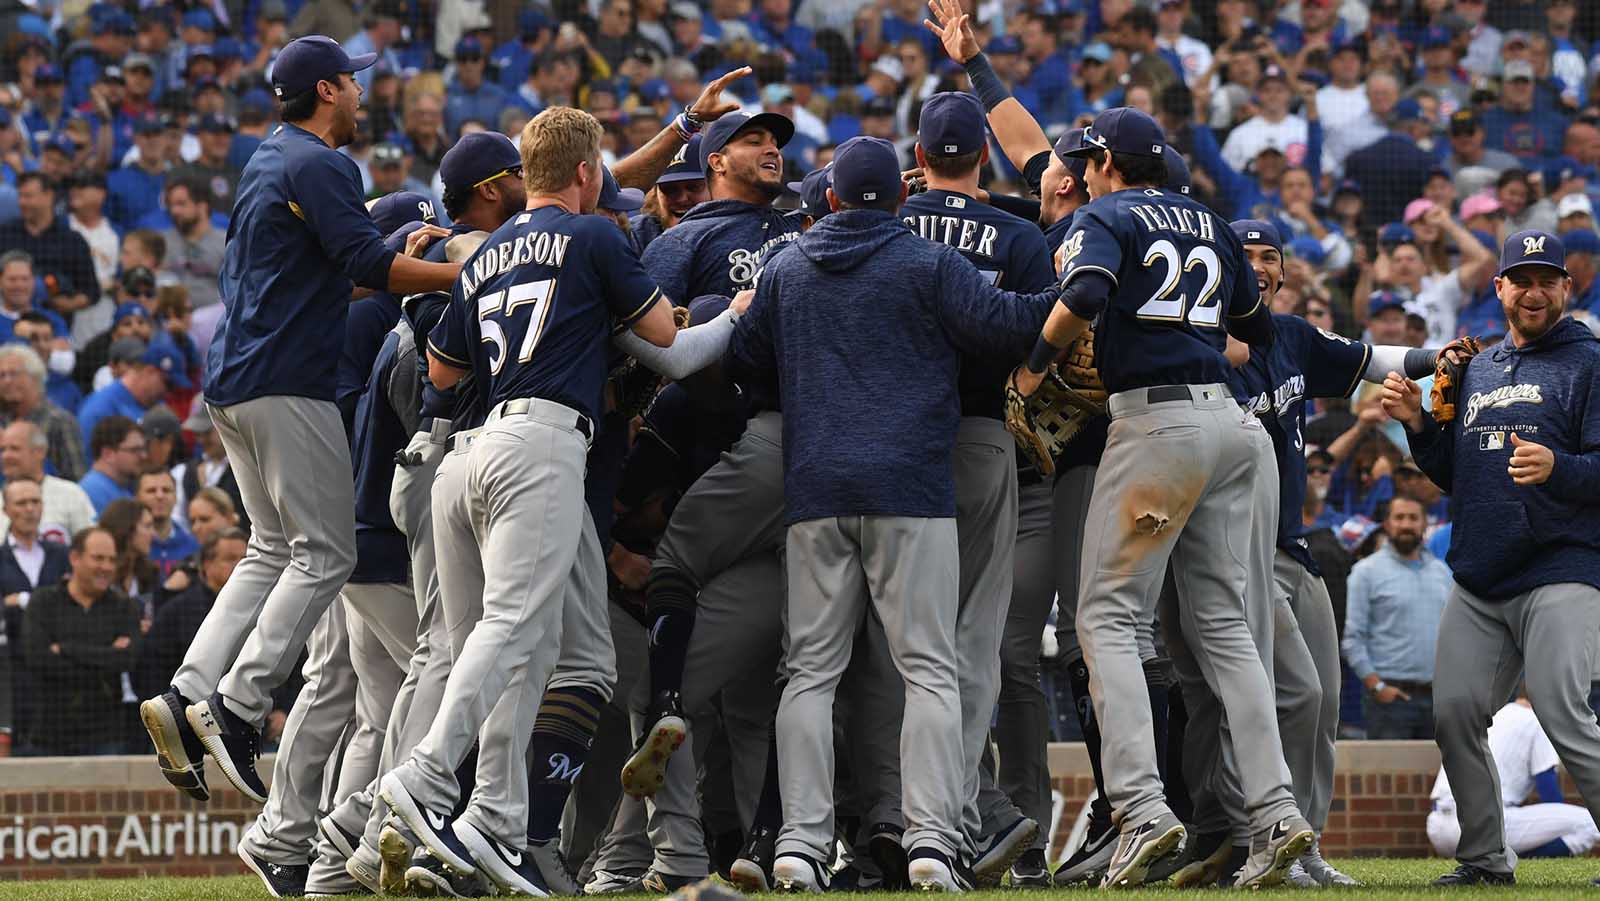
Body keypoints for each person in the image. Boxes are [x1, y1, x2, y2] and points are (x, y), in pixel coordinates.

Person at [726, 132, 1058, 893]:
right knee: (930, 669)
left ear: (832, 199)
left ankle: (800, 848)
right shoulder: (929, 261)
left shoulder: (787, 268)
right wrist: (1063, 283)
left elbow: (743, 357)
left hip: (816, 492)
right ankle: (933, 842)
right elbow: (1014, 327)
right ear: (904, 198)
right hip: (912, 490)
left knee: (809, 672)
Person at [139, 34, 461, 807]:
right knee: (325, 554)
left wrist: (390, 249)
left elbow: (326, 271)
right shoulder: (323, 162)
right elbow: (369, 271)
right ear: (325, 91)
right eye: (351, 83)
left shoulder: (268, 157)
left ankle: (186, 693)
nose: (359, 94)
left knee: (271, 548)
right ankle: (239, 707)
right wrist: (471, 271)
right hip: (286, 381)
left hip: (236, 383)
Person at [379, 105, 680, 896]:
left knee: (541, 648)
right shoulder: (595, 235)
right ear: (586, 173)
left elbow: (442, 375)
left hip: (471, 447)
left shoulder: (486, 252)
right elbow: (664, 335)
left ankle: (496, 819)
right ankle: (426, 774)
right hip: (543, 441)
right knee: (511, 627)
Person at [1001, 100, 1303, 886]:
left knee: (1105, 618)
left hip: (1156, 426)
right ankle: (1277, 813)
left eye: (1087, 162)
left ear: (1102, 164)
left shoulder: (1108, 214)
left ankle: (1140, 809)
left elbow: (1089, 290)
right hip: (1231, 426)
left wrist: (1033, 364)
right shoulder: (1208, 218)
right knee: (1227, 630)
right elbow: (1257, 331)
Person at [1383, 230, 1600, 886]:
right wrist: (1419, 426)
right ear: (1499, 287)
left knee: (1561, 705)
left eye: (1547, 278)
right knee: (1454, 711)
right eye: (1521, 278)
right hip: (1482, 575)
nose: (1534, 291)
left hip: (1562, 564)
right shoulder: (1478, 365)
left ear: (1567, 286)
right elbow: (1459, 474)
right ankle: (1483, 856)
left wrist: (1559, 466)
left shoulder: (1589, 362)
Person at [898, 90, 1058, 886]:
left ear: (918, 157)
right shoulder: (1019, 234)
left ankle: (880, 821)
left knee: (889, 644)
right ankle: (954, 817)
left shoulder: (889, 223)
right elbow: (1044, 329)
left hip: (890, 442)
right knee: (973, 642)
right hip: (982, 434)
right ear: (983, 160)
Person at [1428, 695, 1600, 860]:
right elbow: (1548, 789)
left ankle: (1495, 858)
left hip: (1439, 828)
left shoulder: (1491, 715)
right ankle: (1521, 861)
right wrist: (1560, 825)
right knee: (1590, 824)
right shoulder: (1537, 720)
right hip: (1484, 827)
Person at [21, 526, 140, 755]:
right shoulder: (43, 602)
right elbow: (38, 660)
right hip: (50, 734)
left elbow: (127, 660)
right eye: (98, 558)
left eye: (111, 560)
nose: (106, 567)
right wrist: (105, 655)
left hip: (107, 734)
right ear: (75, 558)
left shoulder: (124, 607)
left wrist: (66, 649)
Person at [135, 528, 248, 700]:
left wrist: (282, 709)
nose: (240, 566)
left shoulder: (265, 608)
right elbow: (151, 670)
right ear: (207, 564)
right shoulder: (178, 611)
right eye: (230, 559)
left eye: (245, 560)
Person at [0, 173, 96, 328]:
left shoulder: (72, 240)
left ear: (49, 196)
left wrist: (67, 304)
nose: (22, 202)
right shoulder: (5, 234)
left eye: (28, 196)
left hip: (53, 326)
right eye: (20, 196)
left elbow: (90, 291)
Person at [77, 338, 187, 453]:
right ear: (149, 371)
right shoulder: (100, 408)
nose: (169, 392)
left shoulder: (157, 405)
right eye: (168, 384)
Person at [0, 421, 98, 546]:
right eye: (3, 450)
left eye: (14, 449)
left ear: (40, 452)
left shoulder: (71, 494)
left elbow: (91, 546)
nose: (6, 456)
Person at [159, 175, 227, 354]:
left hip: (215, 327)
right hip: (171, 324)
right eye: (172, 205)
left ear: (202, 206)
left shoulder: (225, 242)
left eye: (181, 204)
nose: (175, 211)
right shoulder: (164, 243)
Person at [0, 344, 85, 482]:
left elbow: (76, 477)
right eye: (1, 375)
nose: (6, 381)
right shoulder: (3, 421)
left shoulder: (59, 421)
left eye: (13, 374)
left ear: (35, 377)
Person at [136, 467, 197, 578]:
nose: (160, 496)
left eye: (166, 490)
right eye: (151, 491)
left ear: (175, 497)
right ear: (137, 497)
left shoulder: (193, 547)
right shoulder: (131, 546)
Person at [80, 416, 145, 516]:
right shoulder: (93, 491)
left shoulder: (119, 489)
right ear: (108, 454)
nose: (143, 456)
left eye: (143, 449)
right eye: (134, 450)